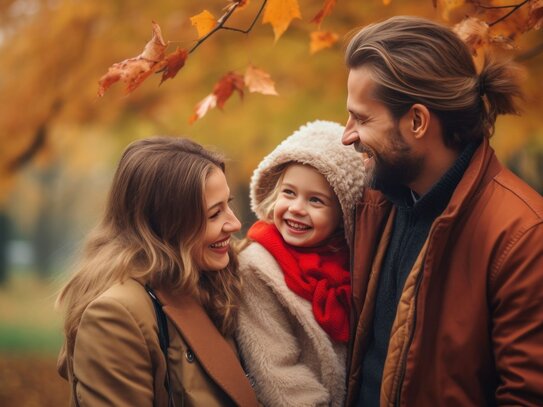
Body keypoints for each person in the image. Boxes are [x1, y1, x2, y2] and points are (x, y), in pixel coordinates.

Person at [341, 16, 543, 406]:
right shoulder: (372, 199)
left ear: (417, 121)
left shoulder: (522, 237)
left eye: (362, 118)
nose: (346, 134)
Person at [56, 137, 258, 407]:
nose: (234, 223)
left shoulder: (211, 278)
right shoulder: (116, 316)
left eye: (228, 204)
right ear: (166, 226)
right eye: (214, 214)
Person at [235, 120, 366, 407]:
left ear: (343, 214)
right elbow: (276, 372)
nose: (296, 208)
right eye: (289, 193)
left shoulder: (354, 263)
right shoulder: (257, 268)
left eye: (316, 201)